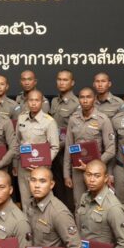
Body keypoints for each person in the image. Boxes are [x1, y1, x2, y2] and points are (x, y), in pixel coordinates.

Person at [62, 87, 116, 205]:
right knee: (79, 203)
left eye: (88, 97)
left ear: (94, 99)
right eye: (82, 97)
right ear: (79, 99)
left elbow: (111, 149)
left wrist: (94, 165)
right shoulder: (73, 119)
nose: (85, 100)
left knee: (98, 203)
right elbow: (68, 147)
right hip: (77, 169)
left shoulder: (103, 119)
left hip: (97, 171)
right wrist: (66, 174)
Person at [14, 90, 60, 207]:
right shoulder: (21, 118)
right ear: (27, 102)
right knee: (25, 201)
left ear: (42, 102)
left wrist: (42, 164)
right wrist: (15, 163)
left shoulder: (49, 121)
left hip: (41, 168)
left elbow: (55, 147)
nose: (34, 103)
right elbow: (17, 142)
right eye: (31, 100)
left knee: (42, 201)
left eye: (37, 100)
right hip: (23, 168)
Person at [49, 69, 79, 209]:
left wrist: (56, 145)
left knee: (69, 189)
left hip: (67, 152)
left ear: (72, 83)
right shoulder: (54, 101)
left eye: (65, 80)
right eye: (59, 79)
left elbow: (75, 132)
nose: (61, 82)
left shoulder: (76, 103)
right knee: (57, 188)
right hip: (54, 152)